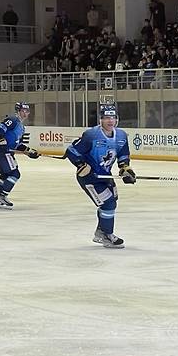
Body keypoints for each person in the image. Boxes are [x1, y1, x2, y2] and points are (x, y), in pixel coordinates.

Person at [66, 104, 135, 248]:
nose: (110, 121)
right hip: (89, 177)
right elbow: (72, 150)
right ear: (100, 120)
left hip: (105, 176)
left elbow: (123, 157)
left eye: (113, 117)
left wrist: (125, 170)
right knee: (108, 203)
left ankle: (101, 231)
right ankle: (107, 235)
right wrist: (81, 165)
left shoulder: (121, 136)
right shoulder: (91, 135)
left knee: (113, 200)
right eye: (106, 118)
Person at [0, 102, 39, 209]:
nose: (25, 113)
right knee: (15, 174)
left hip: (1, 151)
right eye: (23, 111)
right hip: (3, 151)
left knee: (5, 176)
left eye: (27, 111)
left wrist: (29, 151)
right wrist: (1, 139)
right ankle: (2, 197)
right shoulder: (14, 120)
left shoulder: (21, 127)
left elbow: (17, 144)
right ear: (18, 111)